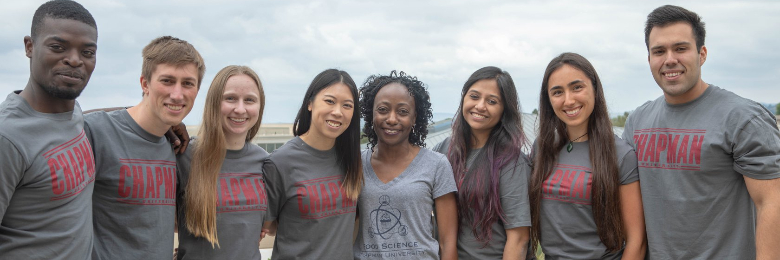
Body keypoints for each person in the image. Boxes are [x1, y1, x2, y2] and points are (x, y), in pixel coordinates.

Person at [622, 5, 780, 259]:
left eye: (681, 48)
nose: (669, 59)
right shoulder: (637, 121)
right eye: (659, 51)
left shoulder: (743, 119)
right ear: (649, 59)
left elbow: (771, 205)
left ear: (702, 54)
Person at [85, 36, 205, 260]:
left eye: (188, 83)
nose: (177, 94)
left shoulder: (176, 145)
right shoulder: (97, 132)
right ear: (144, 83)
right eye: (167, 81)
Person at [0, 1, 97, 259]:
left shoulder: (71, 112)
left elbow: (90, 117)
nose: (75, 60)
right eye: (58, 47)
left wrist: (161, 118)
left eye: (87, 52)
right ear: (29, 47)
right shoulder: (8, 138)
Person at [530, 53, 646, 259]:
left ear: (594, 89)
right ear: (548, 99)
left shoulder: (621, 155)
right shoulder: (542, 148)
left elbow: (636, 242)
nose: (568, 100)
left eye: (577, 87)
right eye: (557, 92)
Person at [354, 71, 458, 260]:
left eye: (402, 111)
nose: (392, 119)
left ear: (415, 117)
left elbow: (448, 242)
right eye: (383, 109)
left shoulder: (436, 164)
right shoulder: (355, 165)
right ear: (371, 113)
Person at [262, 69, 363, 259]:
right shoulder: (280, 162)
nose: (337, 112)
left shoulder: (353, 160)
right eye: (329, 101)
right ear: (310, 103)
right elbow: (268, 226)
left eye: (347, 105)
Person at [434, 66, 532, 259]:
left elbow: (519, 239)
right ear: (464, 98)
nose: (480, 106)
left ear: (504, 109)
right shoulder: (442, 150)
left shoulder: (511, 162)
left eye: (492, 101)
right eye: (474, 96)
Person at [175, 65, 268, 259]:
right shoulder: (184, 155)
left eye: (249, 100)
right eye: (230, 98)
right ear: (214, 103)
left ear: (260, 106)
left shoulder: (265, 162)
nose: (240, 109)